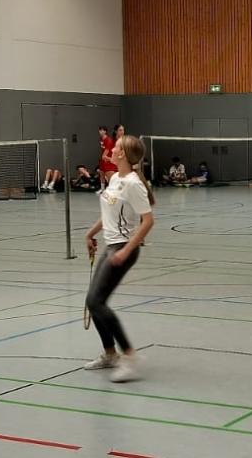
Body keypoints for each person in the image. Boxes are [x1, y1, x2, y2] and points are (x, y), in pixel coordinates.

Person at [83, 135, 155, 382]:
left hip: (123, 248)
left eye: (116, 147)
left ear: (123, 154)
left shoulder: (133, 184)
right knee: (94, 303)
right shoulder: (115, 178)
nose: (112, 150)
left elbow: (148, 221)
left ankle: (130, 356)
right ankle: (110, 354)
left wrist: (125, 251)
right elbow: (109, 214)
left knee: (97, 302)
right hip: (110, 245)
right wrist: (90, 234)